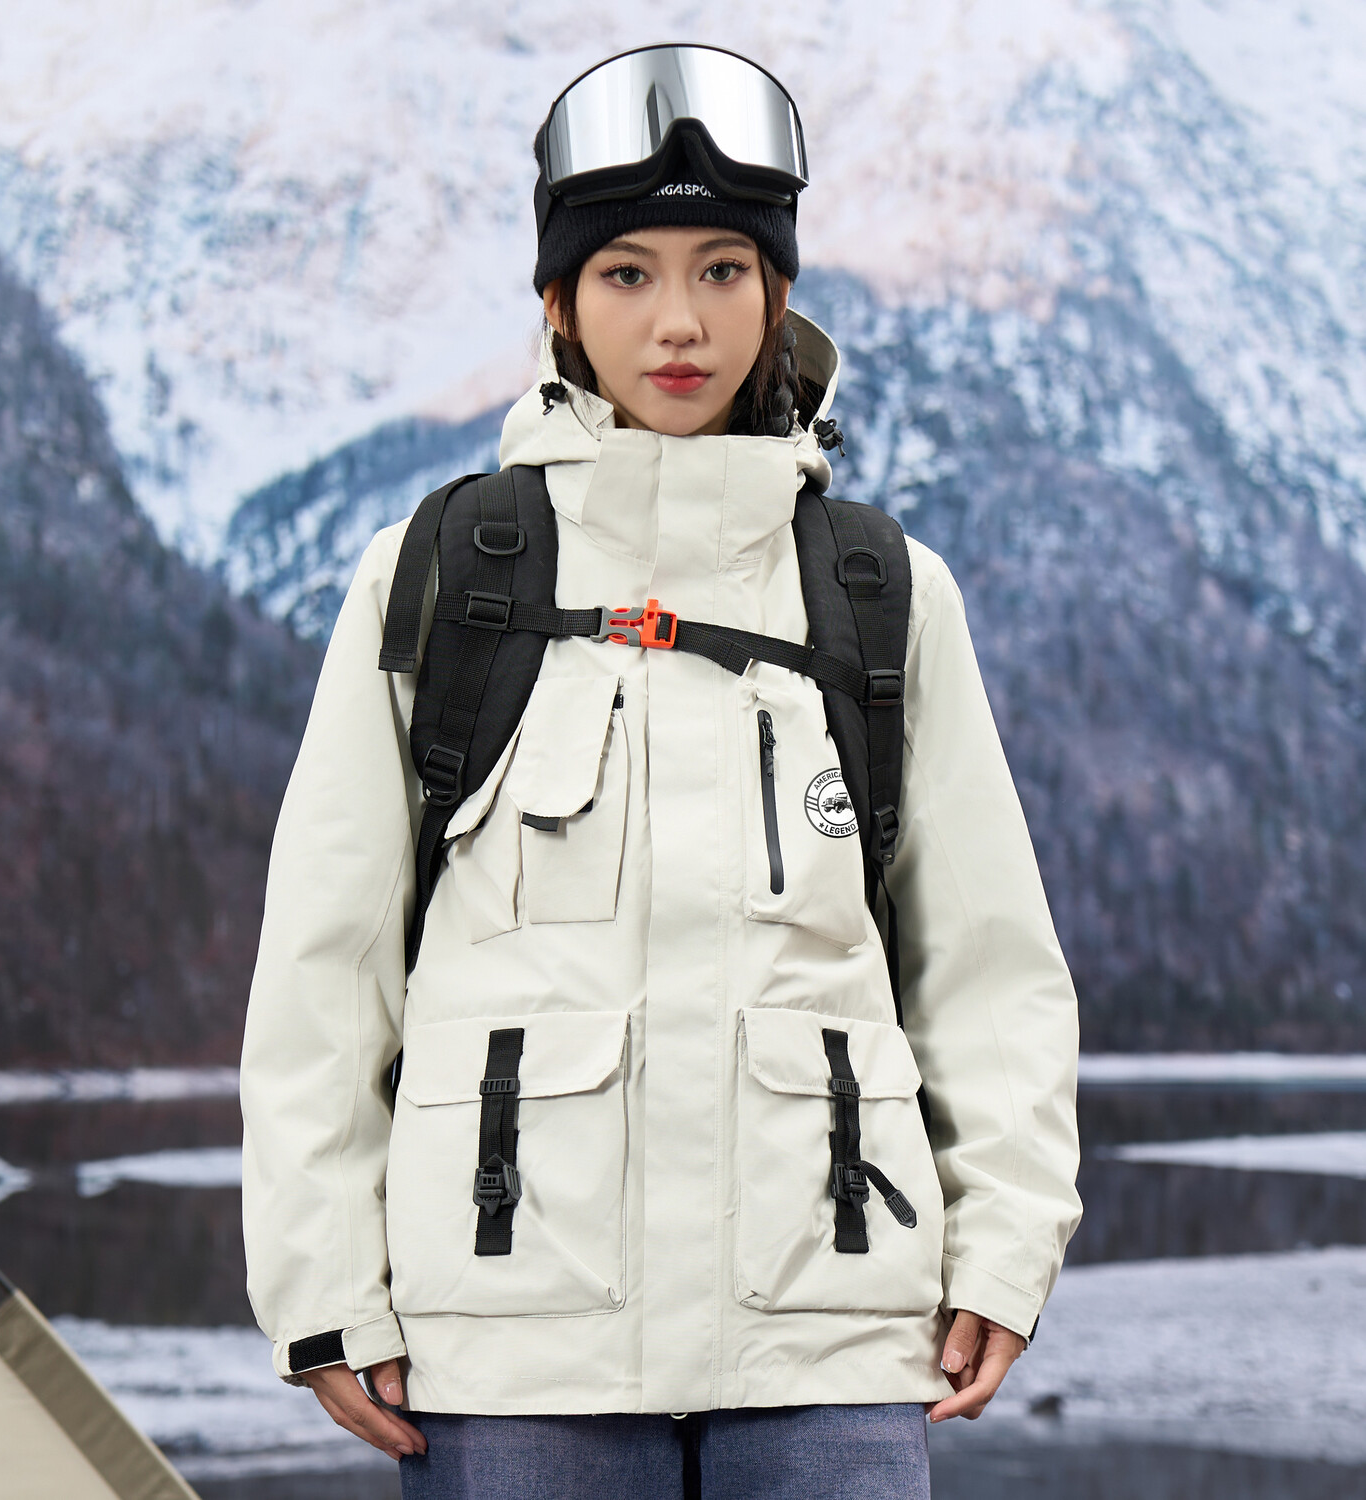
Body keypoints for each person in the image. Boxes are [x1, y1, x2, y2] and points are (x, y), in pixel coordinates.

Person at [240, 43, 1081, 1499]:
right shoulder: (441, 577)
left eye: (722, 271)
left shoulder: (882, 591)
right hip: (514, 1345)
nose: (679, 321)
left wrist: (1006, 1244)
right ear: (558, 305)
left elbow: (988, 964)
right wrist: (322, 1285)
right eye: (626, 273)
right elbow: (327, 966)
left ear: (777, 292)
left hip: (830, 1335)